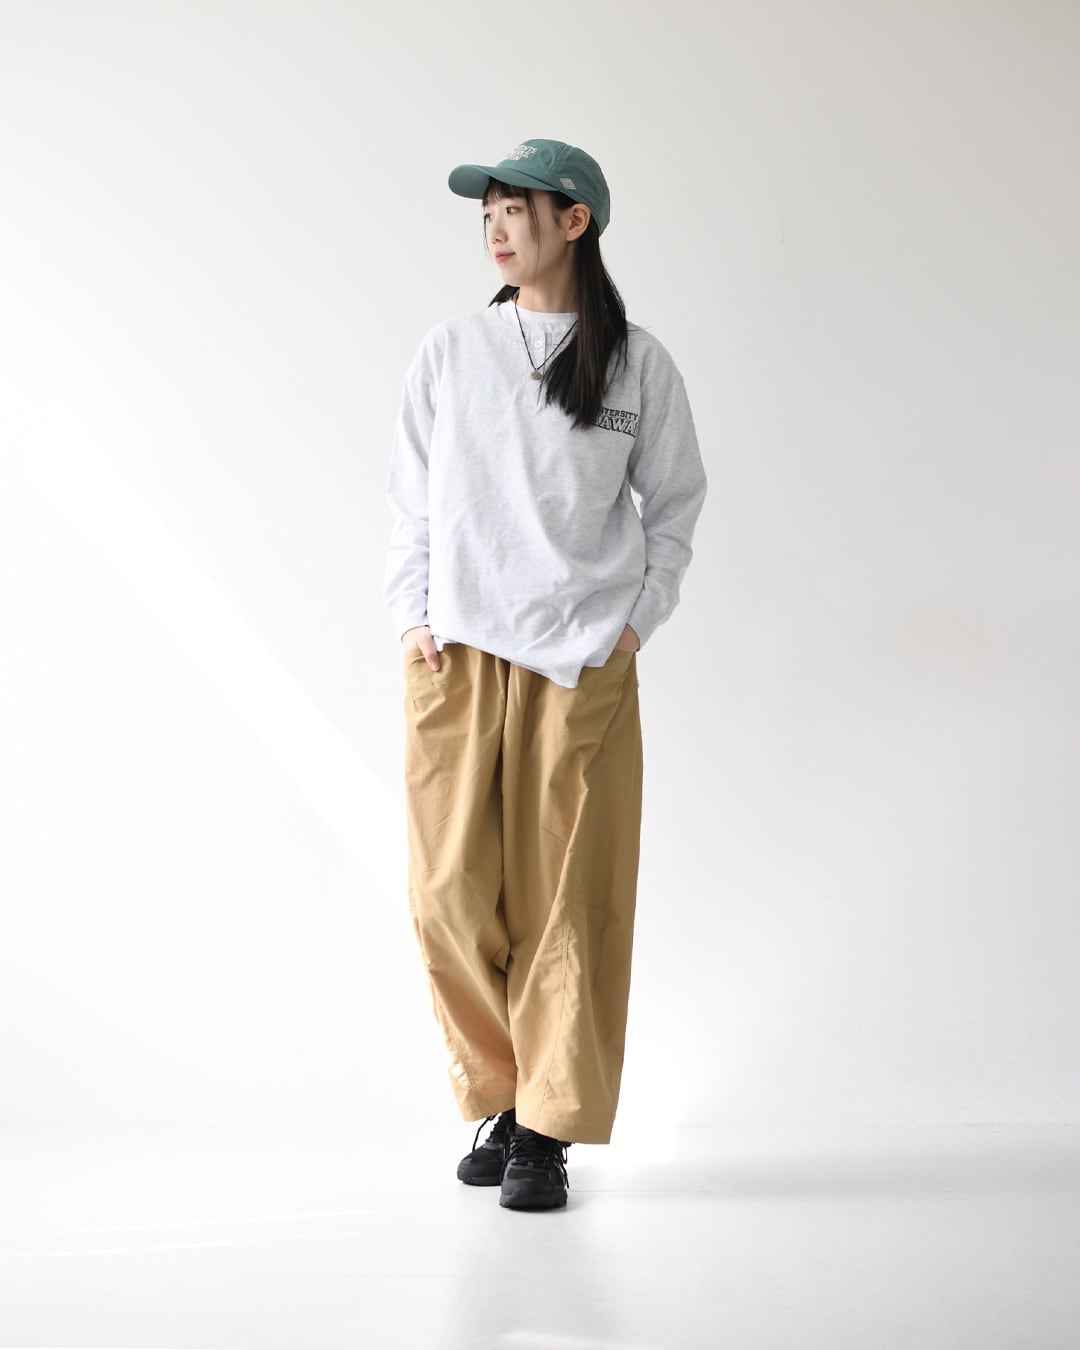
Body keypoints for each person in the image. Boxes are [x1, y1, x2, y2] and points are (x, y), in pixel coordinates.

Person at [383, 139, 707, 1211]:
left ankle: (544, 1128)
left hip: (580, 660)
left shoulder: (636, 364)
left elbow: (676, 502)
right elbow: (409, 497)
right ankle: (502, 1090)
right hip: (459, 653)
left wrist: (635, 625)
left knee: (568, 904)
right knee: (447, 893)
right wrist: (412, 618)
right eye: (487, 212)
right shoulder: (452, 350)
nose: (495, 225)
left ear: (576, 221)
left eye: (515, 208)